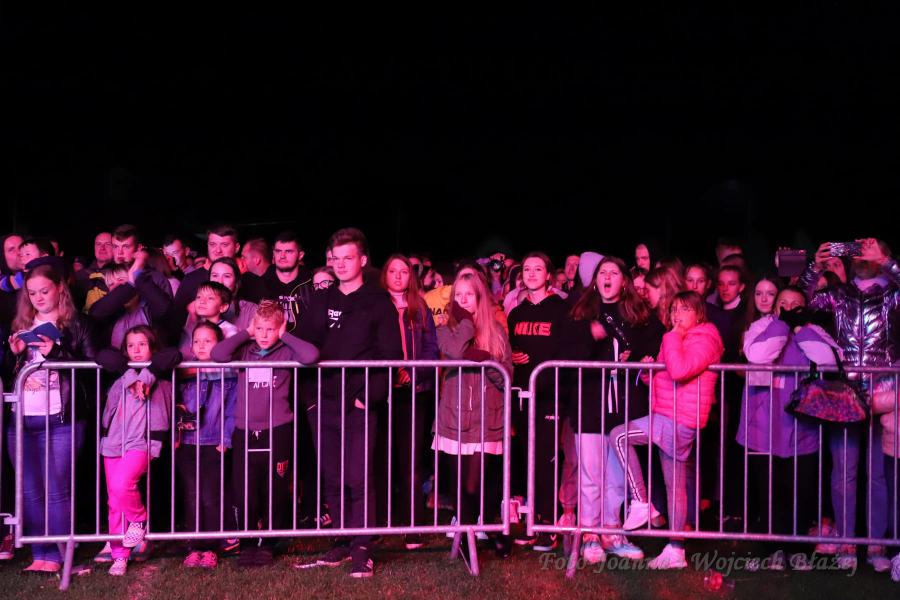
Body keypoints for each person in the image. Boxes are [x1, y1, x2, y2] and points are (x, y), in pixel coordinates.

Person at [297, 228, 402, 577]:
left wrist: (366, 399)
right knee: (332, 475)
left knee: (358, 476)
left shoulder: (378, 302)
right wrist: (310, 399)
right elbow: (304, 347)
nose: (341, 265)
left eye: (348, 258)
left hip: (357, 402)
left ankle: (363, 546)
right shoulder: (321, 299)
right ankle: (342, 540)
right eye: (336, 258)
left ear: (363, 260)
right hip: (322, 401)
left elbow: (391, 355)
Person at [800, 238, 898, 570]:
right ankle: (845, 543)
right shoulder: (840, 294)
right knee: (844, 472)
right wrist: (815, 266)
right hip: (845, 392)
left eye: (869, 249)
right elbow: (802, 299)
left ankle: (877, 546)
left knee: (878, 475)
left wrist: (886, 262)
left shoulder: (891, 293)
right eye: (858, 249)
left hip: (883, 392)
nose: (861, 254)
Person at [611, 291, 724, 569]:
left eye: (685, 310)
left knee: (619, 436)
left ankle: (641, 502)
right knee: (675, 487)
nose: (677, 315)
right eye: (674, 309)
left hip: (679, 419)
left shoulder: (705, 338)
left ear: (699, 314)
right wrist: (649, 371)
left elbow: (680, 370)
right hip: (668, 414)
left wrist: (672, 337)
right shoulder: (678, 337)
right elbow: (666, 376)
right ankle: (676, 549)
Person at [562, 257, 657, 563]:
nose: (607, 277)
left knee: (616, 475)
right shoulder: (580, 314)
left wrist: (640, 359)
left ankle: (613, 532)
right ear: (595, 280)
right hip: (589, 403)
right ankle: (590, 534)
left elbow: (651, 348)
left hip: (623, 406)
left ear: (624, 281)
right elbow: (567, 355)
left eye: (614, 273)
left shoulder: (639, 316)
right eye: (602, 272)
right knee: (590, 473)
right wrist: (590, 336)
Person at [211, 300, 319, 567]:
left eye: (270, 329)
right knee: (245, 489)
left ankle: (269, 542)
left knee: (275, 487)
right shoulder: (245, 350)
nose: (263, 334)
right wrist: (246, 333)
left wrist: (285, 335)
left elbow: (311, 356)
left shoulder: (286, 351)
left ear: (280, 327)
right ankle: (248, 542)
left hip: (278, 429)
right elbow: (218, 354)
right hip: (245, 429)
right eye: (259, 328)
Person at [738, 286, 838, 569]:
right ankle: (774, 549)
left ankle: (798, 549)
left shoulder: (814, 331)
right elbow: (758, 354)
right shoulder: (761, 327)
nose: (790, 308)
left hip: (802, 426)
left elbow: (827, 359)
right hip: (764, 425)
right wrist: (783, 325)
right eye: (784, 303)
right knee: (770, 489)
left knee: (801, 489)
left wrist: (800, 329)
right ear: (776, 307)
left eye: (796, 304)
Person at [5, 266, 96, 573]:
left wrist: (56, 352)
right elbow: (8, 373)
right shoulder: (21, 323)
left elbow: (92, 368)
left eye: (44, 291)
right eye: (32, 293)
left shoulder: (77, 324)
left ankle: (59, 556)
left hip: (61, 418)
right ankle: (40, 553)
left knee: (57, 490)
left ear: (60, 289)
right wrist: (13, 354)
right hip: (21, 420)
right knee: (29, 491)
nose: (39, 298)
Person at [434, 273, 513, 559]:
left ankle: (487, 528)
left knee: (476, 482)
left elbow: (506, 377)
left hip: (487, 418)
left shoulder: (496, 331)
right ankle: (467, 539)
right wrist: (466, 322)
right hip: (455, 418)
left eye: (469, 294)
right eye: (458, 295)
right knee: (460, 484)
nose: (463, 300)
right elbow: (456, 350)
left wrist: (488, 361)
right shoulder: (445, 329)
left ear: (480, 298)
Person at [96, 325, 178, 576]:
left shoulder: (160, 375)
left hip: (141, 443)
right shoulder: (121, 375)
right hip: (113, 443)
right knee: (114, 501)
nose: (137, 350)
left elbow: (173, 353)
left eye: (142, 344)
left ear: (152, 346)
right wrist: (129, 374)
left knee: (122, 484)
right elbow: (101, 355)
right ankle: (120, 554)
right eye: (131, 345)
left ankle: (139, 520)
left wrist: (147, 376)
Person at [506, 252, 570, 551]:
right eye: (527, 269)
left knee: (546, 459)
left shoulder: (561, 309)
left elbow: (566, 352)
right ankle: (532, 521)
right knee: (527, 458)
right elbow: (510, 348)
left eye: (538, 269)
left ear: (549, 276)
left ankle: (548, 524)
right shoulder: (516, 313)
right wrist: (511, 356)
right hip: (523, 395)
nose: (531, 274)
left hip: (550, 395)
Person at [379, 254, 439, 550]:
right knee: (380, 457)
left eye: (404, 271)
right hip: (381, 392)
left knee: (410, 459)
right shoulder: (376, 304)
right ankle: (380, 521)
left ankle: (412, 524)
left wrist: (413, 374)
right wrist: (389, 374)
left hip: (414, 391)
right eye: (393, 271)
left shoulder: (420, 307)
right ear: (385, 274)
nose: (398, 276)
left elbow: (431, 348)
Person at [176, 322, 238, 570]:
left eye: (208, 341)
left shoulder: (229, 374)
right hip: (187, 444)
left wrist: (226, 439)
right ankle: (195, 547)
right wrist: (176, 437)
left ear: (219, 344)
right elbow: (176, 408)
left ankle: (211, 547)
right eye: (197, 341)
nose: (201, 346)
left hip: (213, 443)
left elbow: (232, 410)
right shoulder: (184, 372)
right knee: (192, 496)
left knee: (211, 497)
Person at [261, 231, 313, 333]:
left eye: (288, 251)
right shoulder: (260, 284)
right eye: (278, 251)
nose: (282, 256)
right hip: (270, 341)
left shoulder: (312, 284)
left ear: (300, 255)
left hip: (303, 341)